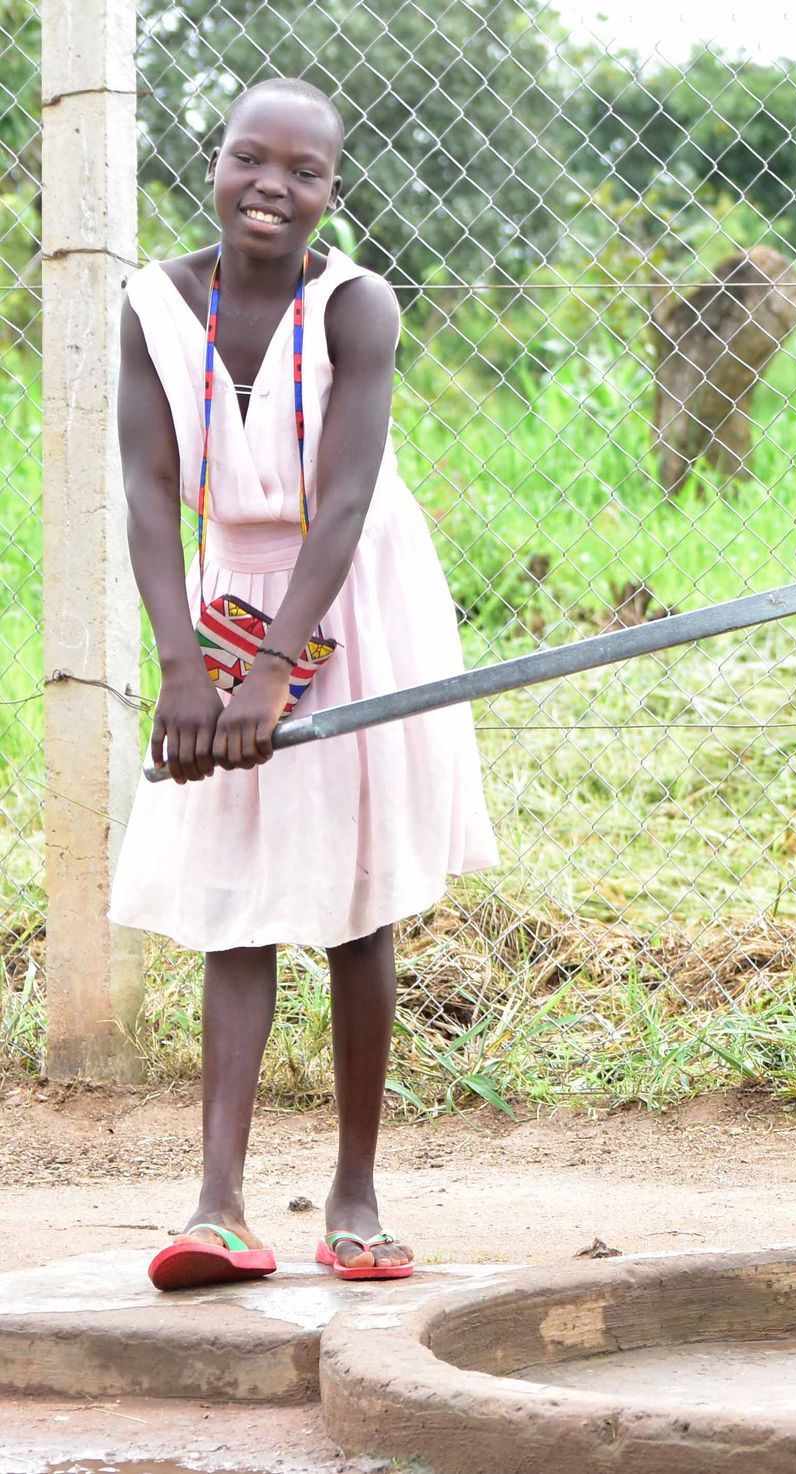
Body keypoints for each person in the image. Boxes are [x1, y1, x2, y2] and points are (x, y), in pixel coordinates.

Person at [110, 77, 496, 1289]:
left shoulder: (355, 307)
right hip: (225, 594)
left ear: (333, 189)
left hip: (350, 594)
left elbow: (344, 502)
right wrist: (184, 666)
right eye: (248, 160)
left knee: (350, 898)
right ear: (211, 164)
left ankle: (354, 1191)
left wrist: (278, 667)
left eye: (304, 171)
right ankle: (217, 1209)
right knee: (235, 892)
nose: (271, 185)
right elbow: (148, 493)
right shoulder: (155, 306)